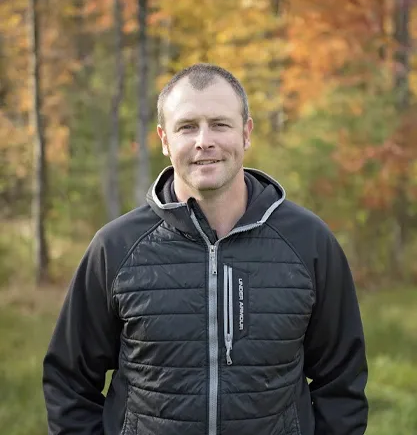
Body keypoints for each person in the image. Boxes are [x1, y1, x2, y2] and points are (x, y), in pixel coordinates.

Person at [43, 63, 368, 435]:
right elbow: (69, 383)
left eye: (220, 124)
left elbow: (342, 383)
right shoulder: (115, 247)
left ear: (246, 133)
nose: (203, 141)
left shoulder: (309, 242)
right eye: (187, 127)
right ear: (165, 140)